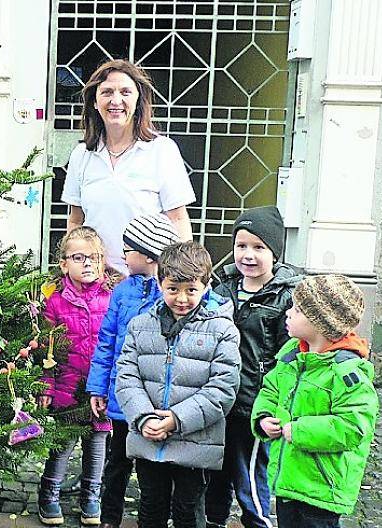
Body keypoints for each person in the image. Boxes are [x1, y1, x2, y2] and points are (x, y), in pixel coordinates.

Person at [116, 241, 241, 528]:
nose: (181, 298)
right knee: (151, 507)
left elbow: (223, 388)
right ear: (160, 283)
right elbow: (127, 376)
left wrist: (176, 419)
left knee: (188, 511)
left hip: (196, 441)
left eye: (191, 290)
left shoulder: (222, 329)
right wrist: (143, 417)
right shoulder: (140, 325)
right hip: (148, 438)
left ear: (206, 286)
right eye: (173, 289)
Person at [252, 275, 379, 528]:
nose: (288, 313)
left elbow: (354, 426)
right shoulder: (291, 355)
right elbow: (269, 389)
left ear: (321, 322)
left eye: (297, 309)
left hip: (321, 489)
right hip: (288, 479)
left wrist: (298, 431)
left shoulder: (347, 371)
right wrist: (264, 417)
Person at [205, 206, 302, 528]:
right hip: (220, 400)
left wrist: (274, 405)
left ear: (274, 252)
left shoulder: (285, 297)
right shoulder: (224, 289)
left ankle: (259, 522)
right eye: (241, 246)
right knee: (215, 472)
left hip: (254, 403)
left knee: (248, 474)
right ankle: (214, 520)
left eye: (259, 247)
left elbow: (288, 357)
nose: (248, 255)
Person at [85, 214, 181, 528]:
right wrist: (99, 387)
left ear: (149, 254)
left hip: (153, 399)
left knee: (152, 470)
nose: (124, 255)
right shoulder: (123, 291)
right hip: (121, 395)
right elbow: (107, 341)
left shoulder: (169, 294)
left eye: (129, 249)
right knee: (116, 464)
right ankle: (109, 519)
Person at [61, 59, 195, 273]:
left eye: (125, 92)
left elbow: (178, 219)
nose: (116, 101)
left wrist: (181, 274)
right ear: (95, 102)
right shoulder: (82, 155)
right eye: (106, 92)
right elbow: (76, 222)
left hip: (148, 281)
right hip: (96, 283)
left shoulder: (162, 150)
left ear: (138, 100)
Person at [37, 227, 114, 526]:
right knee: (63, 445)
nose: (87, 264)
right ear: (63, 263)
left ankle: (91, 497)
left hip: (100, 389)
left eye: (94, 257)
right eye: (79, 257)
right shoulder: (55, 301)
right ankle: (49, 495)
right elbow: (46, 349)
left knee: (97, 445)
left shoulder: (110, 297)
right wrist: (46, 384)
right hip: (68, 387)